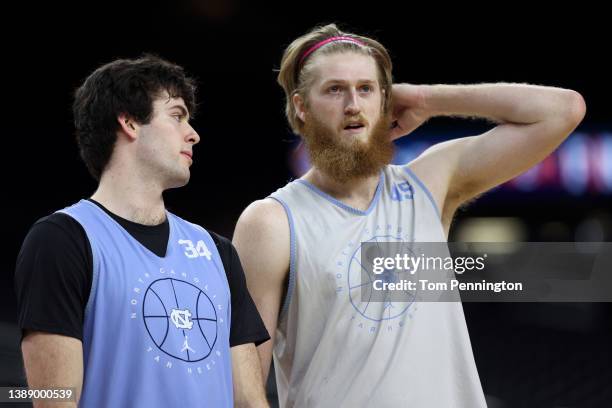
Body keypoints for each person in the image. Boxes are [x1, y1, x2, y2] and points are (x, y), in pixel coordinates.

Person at [232, 24, 586, 407]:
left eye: (366, 89)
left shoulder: (429, 183)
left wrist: (424, 98)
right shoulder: (271, 221)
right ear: (301, 106)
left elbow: (563, 110)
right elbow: (246, 390)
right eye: (335, 89)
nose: (353, 104)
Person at [15, 55, 270, 407]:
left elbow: (250, 402)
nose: (193, 134)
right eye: (177, 115)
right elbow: (53, 400)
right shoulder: (61, 240)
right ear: (130, 122)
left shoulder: (218, 252)